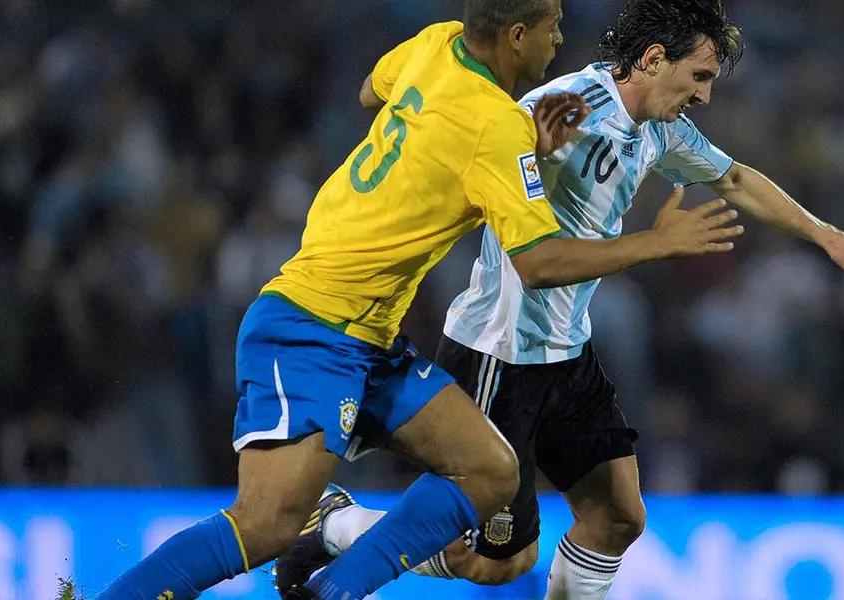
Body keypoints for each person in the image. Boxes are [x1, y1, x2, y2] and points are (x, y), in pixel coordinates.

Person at [96, 1, 745, 598]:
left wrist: (443, 156)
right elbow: (541, 265)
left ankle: (332, 587)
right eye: (552, 28)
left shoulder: (437, 45)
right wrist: (656, 243)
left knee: (491, 471)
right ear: (518, 35)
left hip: (371, 338)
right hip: (310, 325)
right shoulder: (497, 127)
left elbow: (369, 90)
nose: (559, 42)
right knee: (266, 526)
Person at [272, 0, 844, 599]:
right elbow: (490, 143)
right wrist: (531, 155)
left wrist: (827, 235)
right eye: (697, 75)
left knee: (616, 517)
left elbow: (735, 179)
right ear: (652, 60)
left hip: (567, 353)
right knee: (495, 561)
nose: (705, 93)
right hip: (500, 353)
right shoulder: (571, 106)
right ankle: (337, 525)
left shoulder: (661, 133)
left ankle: (342, 527)